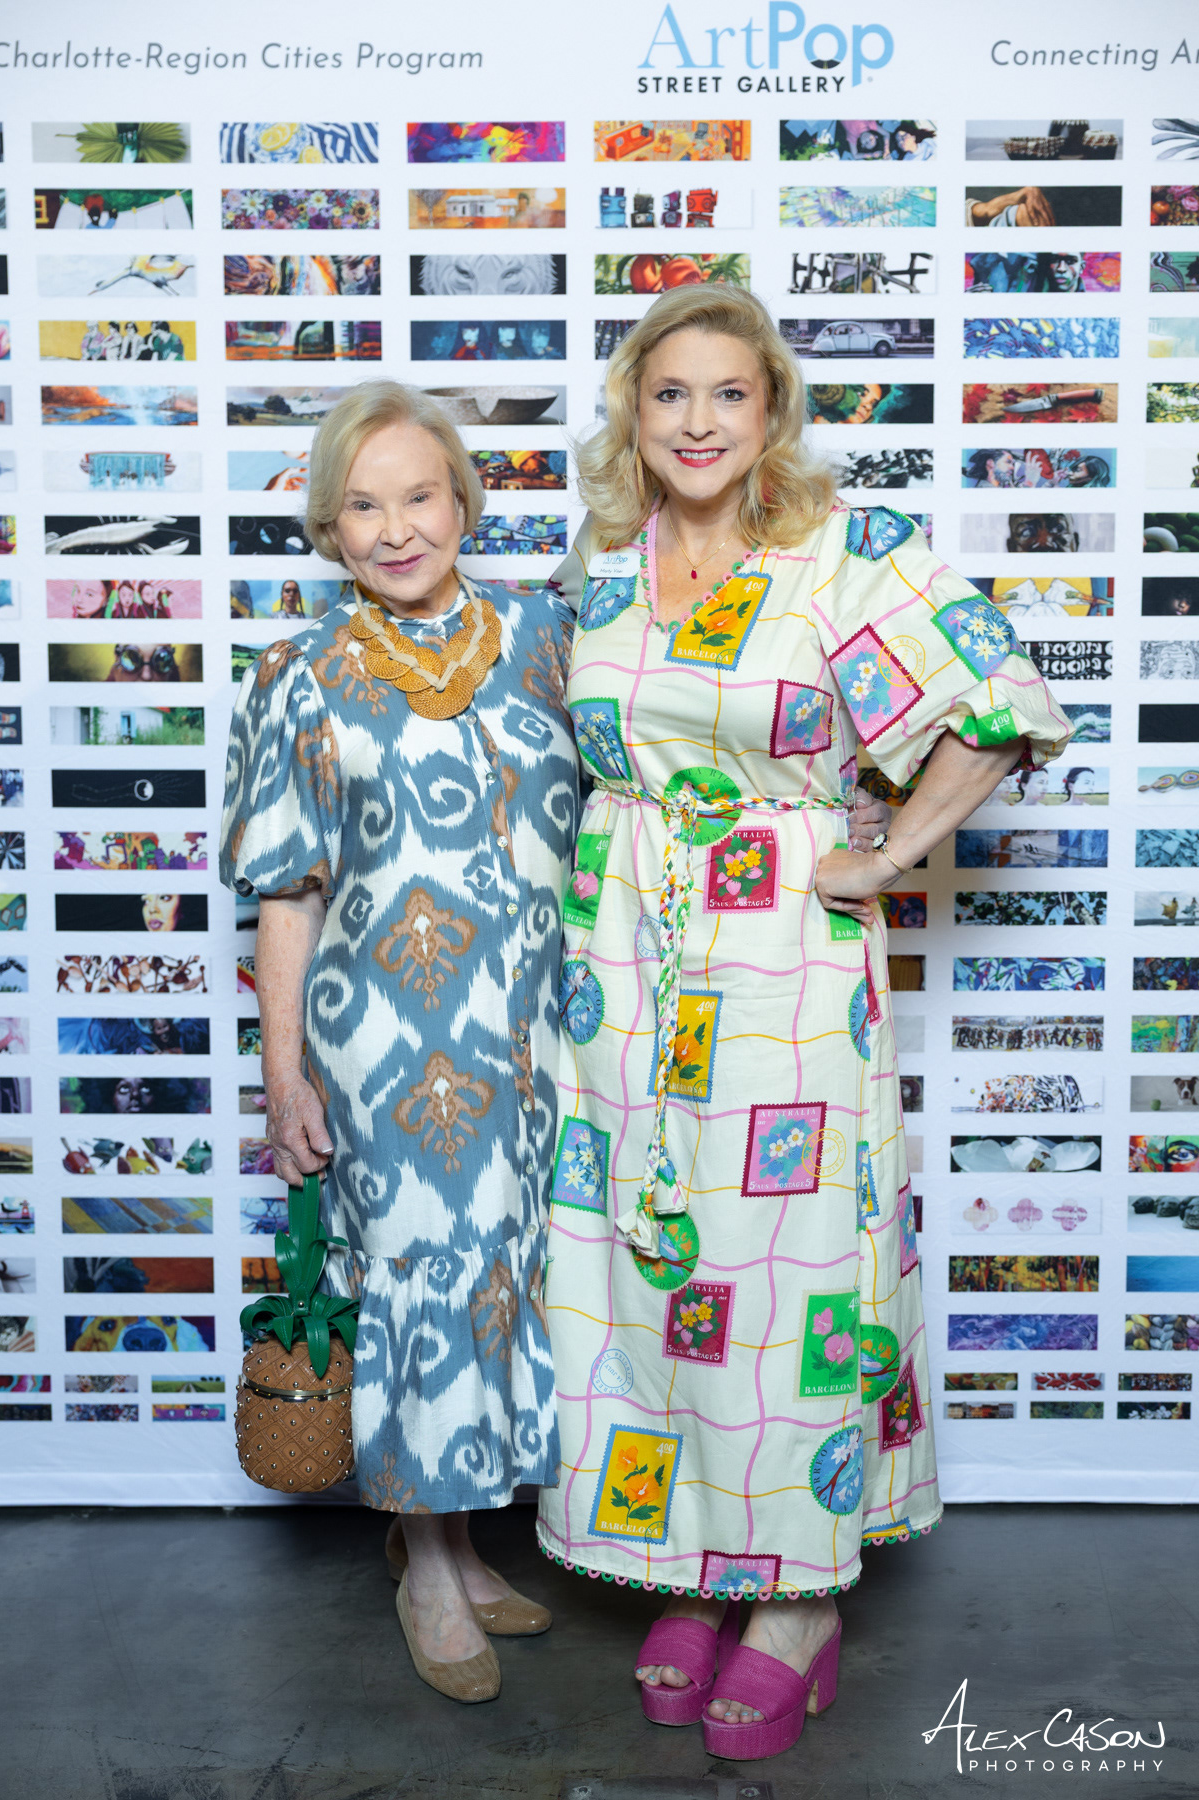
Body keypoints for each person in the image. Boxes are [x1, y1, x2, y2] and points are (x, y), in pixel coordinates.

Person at [536, 286, 1072, 1760]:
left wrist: (889, 854)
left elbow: (999, 702)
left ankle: (794, 1599)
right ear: (633, 414)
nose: (698, 421)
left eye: (729, 392)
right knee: (645, 1276)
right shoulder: (600, 562)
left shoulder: (842, 553)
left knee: (787, 1286)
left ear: (771, 410)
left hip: (780, 965)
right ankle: (687, 1564)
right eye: (669, 394)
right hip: (621, 965)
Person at [217, 380, 584, 1706]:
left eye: (418, 495)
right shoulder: (300, 675)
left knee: (503, 1283)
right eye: (362, 506)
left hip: (542, 1038)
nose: (395, 529)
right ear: (330, 528)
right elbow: (287, 893)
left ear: (465, 501)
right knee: (424, 1282)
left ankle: (458, 1542)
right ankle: (428, 1570)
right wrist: (283, 1075)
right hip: (384, 1044)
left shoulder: (550, 638)